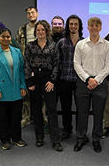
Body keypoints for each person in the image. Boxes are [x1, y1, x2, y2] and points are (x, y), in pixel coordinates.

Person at [73, 17, 109, 153]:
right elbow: (76, 64)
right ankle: (81, 137)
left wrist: (96, 80)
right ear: (88, 27)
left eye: (97, 25)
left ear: (101, 28)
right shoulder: (81, 44)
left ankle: (96, 139)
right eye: (91, 25)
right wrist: (88, 79)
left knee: (98, 113)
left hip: (100, 84)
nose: (94, 27)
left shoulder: (107, 45)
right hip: (83, 83)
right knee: (82, 113)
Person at [24, 20, 63, 152]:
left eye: (42, 29)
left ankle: (55, 140)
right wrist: (29, 82)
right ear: (35, 32)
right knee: (36, 110)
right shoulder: (30, 46)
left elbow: (57, 64)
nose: (40, 32)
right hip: (35, 81)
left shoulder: (53, 45)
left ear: (47, 31)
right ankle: (39, 137)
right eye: (38, 30)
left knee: (51, 110)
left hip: (48, 81)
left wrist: (52, 81)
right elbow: (26, 64)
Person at [0, 28, 27, 150]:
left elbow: (21, 71)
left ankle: (16, 138)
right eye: (3, 37)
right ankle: (4, 140)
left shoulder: (17, 52)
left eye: (8, 37)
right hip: (1, 91)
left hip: (15, 90)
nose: (6, 39)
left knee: (16, 117)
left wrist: (23, 86)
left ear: (11, 38)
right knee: (2, 118)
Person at [56, 15, 83, 140]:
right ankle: (67, 129)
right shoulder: (61, 42)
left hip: (79, 80)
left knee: (80, 107)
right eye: (71, 24)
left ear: (79, 26)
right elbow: (57, 62)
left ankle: (79, 130)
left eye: (75, 24)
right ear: (68, 26)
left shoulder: (84, 42)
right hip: (64, 79)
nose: (73, 26)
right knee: (66, 107)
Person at [16, 6, 39, 127]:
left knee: (40, 94)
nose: (31, 15)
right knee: (25, 92)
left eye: (33, 12)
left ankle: (42, 117)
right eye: (28, 13)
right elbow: (17, 46)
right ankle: (26, 117)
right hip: (25, 64)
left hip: (40, 64)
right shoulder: (22, 29)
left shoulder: (43, 28)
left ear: (37, 14)